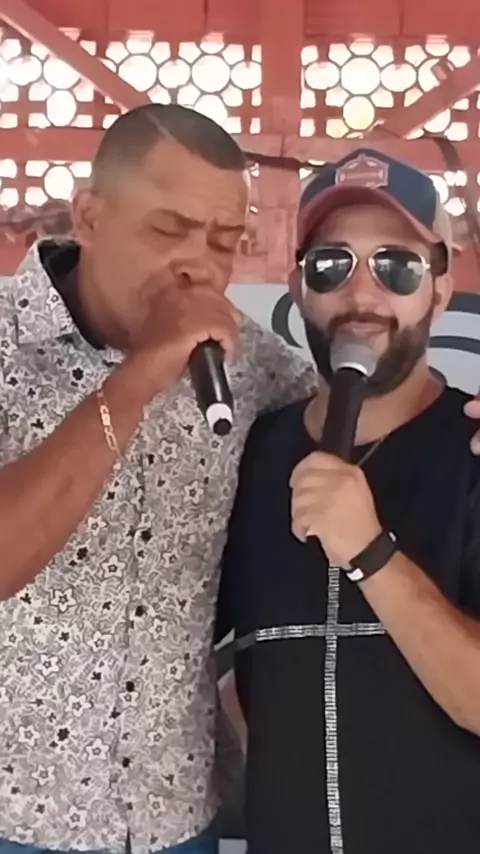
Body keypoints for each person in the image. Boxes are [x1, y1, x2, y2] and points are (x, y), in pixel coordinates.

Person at [0, 104, 316, 854]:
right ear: (88, 215)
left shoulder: (258, 368)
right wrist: (142, 375)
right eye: (168, 229)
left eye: (223, 241)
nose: (197, 264)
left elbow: (377, 441)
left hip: (174, 817)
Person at [216, 148, 480, 854]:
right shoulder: (248, 454)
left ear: (440, 290)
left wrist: (370, 553)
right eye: (332, 265)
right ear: (298, 288)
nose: (362, 296)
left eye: (397, 267)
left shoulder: (473, 451)